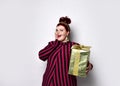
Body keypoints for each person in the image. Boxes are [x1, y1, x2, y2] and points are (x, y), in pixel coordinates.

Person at [38, 16, 93, 86]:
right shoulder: (51, 44)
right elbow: (41, 56)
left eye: (61, 30)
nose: (58, 32)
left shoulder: (74, 46)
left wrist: (89, 66)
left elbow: (82, 65)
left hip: (66, 82)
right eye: (56, 30)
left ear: (67, 33)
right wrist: (55, 44)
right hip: (48, 82)